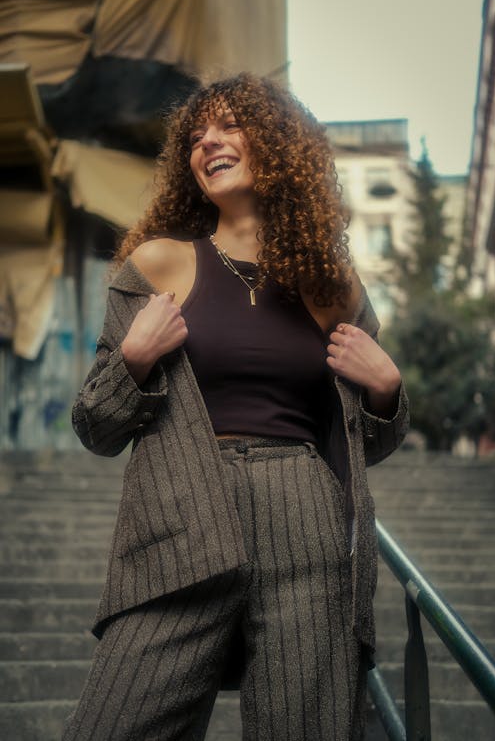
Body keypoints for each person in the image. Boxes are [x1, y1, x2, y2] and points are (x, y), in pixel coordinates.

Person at [63, 72, 409, 741]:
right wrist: (132, 361)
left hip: (306, 522)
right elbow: (94, 427)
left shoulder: (332, 289)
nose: (208, 142)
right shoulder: (159, 264)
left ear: (280, 145)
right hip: (180, 515)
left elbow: (366, 442)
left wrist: (388, 391)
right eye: (197, 135)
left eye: (229, 125)